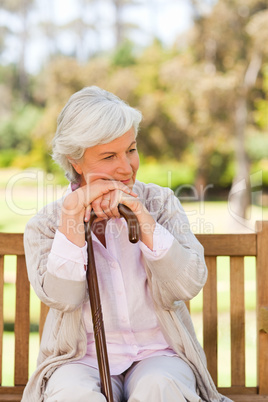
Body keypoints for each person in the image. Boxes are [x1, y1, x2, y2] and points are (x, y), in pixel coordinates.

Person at [22, 86, 232, 402]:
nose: (126, 167)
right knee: (73, 396)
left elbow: (186, 285)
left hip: (159, 354)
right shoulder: (46, 224)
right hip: (79, 359)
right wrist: (72, 221)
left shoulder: (160, 203)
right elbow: (63, 298)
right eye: (109, 156)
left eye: (130, 150)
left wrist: (141, 216)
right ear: (75, 161)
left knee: (159, 388)